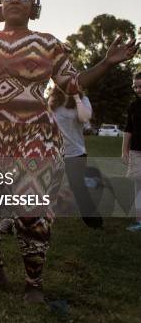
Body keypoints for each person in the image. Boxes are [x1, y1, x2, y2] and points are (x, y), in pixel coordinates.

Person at [0, 0, 137, 303]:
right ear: (0, 5)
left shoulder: (49, 43)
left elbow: (72, 84)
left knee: (30, 212)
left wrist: (107, 63)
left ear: (33, 7)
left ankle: (33, 282)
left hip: (36, 136)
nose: (14, 0)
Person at [49, 86, 103, 228]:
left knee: (78, 188)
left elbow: (84, 117)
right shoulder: (53, 100)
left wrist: (76, 97)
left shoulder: (83, 99)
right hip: (53, 152)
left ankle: (94, 222)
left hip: (75, 152)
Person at [122, 71, 141, 232]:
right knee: (138, 187)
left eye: (140, 86)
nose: (138, 89)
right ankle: (139, 222)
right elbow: (128, 129)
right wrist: (124, 151)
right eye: (135, 87)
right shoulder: (133, 106)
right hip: (136, 152)